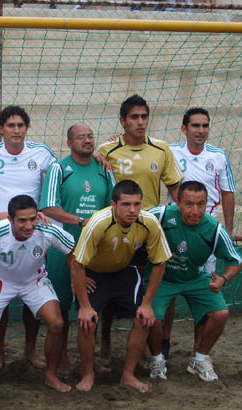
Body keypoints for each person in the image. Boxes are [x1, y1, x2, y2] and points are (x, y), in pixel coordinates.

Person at [96, 94, 182, 366]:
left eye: (144, 116)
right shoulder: (105, 150)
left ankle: (155, 344)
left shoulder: (161, 149)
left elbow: (175, 190)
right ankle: (106, 340)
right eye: (134, 117)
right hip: (116, 230)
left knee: (155, 288)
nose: (140, 122)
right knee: (111, 286)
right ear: (123, 121)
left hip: (150, 229)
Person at [0, 194, 75, 396]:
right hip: (0, 280)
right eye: (22, 220)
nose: (29, 225)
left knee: (57, 323)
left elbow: (72, 250)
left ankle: (51, 375)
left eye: (32, 218)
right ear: (10, 219)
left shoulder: (46, 228)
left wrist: (76, 280)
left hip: (35, 280)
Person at [0, 105, 58, 371]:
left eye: (20, 125)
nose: (16, 130)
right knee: (2, 295)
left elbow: (62, 174)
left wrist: (101, 156)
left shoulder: (42, 153)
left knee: (32, 294)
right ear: (0, 129)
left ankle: (30, 350)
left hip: (32, 233)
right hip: (1, 234)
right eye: (10, 125)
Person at [69, 180, 171, 393]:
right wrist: (85, 307)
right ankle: (88, 374)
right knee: (88, 321)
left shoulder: (149, 222)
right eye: (126, 204)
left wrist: (147, 303)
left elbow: (160, 263)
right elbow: (77, 264)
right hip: (94, 274)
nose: (132, 210)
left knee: (144, 318)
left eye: (136, 204)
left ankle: (128, 375)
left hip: (124, 272)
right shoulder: (98, 222)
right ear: (113, 205)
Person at [147, 181, 242, 382]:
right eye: (189, 204)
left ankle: (199, 358)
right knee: (151, 316)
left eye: (201, 204)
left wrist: (223, 279)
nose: (195, 211)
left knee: (221, 313)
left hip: (195, 277)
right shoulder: (161, 215)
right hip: (163, 278)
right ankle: (157, 359)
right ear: (178, 203)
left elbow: (236, 260)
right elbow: (136, 223)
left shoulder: (214, 229)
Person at [39, 122, 114, 378]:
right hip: (63, 249)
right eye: (81, 137)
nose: (87, 140)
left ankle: (89, 360)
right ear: (69, 143)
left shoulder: (104, 170)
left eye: (91, 136)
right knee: (60, 307)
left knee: (91, 306)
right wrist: (82, 221)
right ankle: (61, 358)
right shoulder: (59, 169)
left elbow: (111, 208)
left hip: (95, 251)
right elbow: (48, 209)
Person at [161, 107, 237, 358]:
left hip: (206, 231)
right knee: (169, 284)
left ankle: (198, 350)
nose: (201, 130)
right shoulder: (169, 151)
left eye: (205, 126)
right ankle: (164, 341)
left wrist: (229, 227)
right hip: (175, 228)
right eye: (195, 125)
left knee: (205, 291)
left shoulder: (218, 156)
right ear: (184, 129)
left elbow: (227, 192)